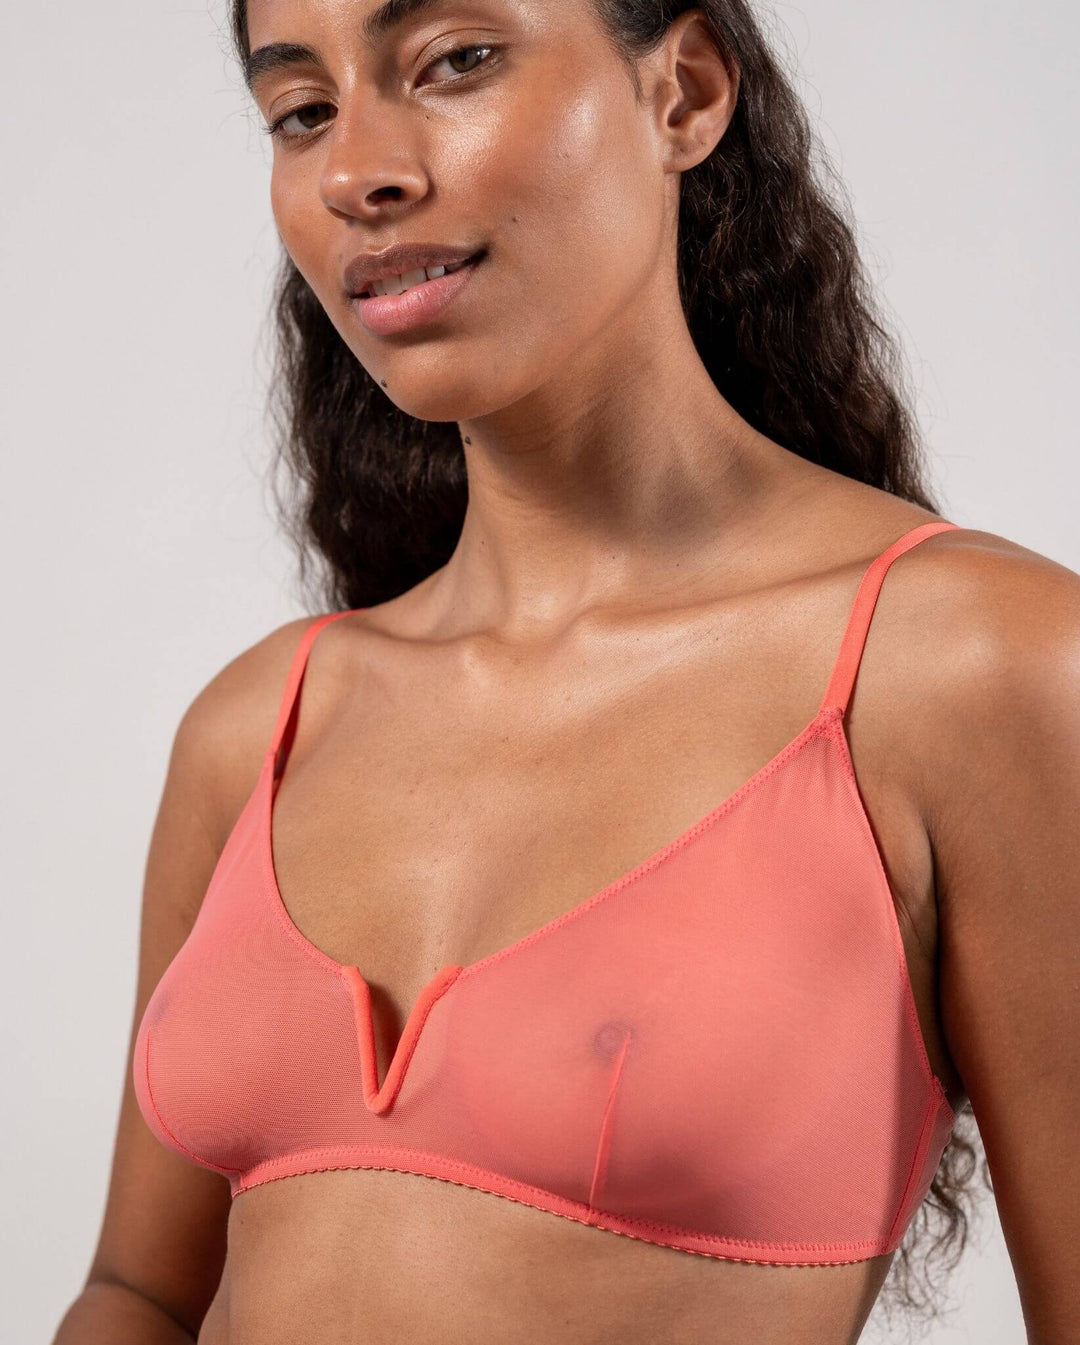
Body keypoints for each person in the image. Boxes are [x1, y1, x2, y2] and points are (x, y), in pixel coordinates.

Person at [54, 1, 1079, 1341]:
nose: (358, 170)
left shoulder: (974, 667)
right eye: (302, 112)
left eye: (456, 62)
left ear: (683, 94)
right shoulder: (261, 724)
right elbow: (136, 1294)